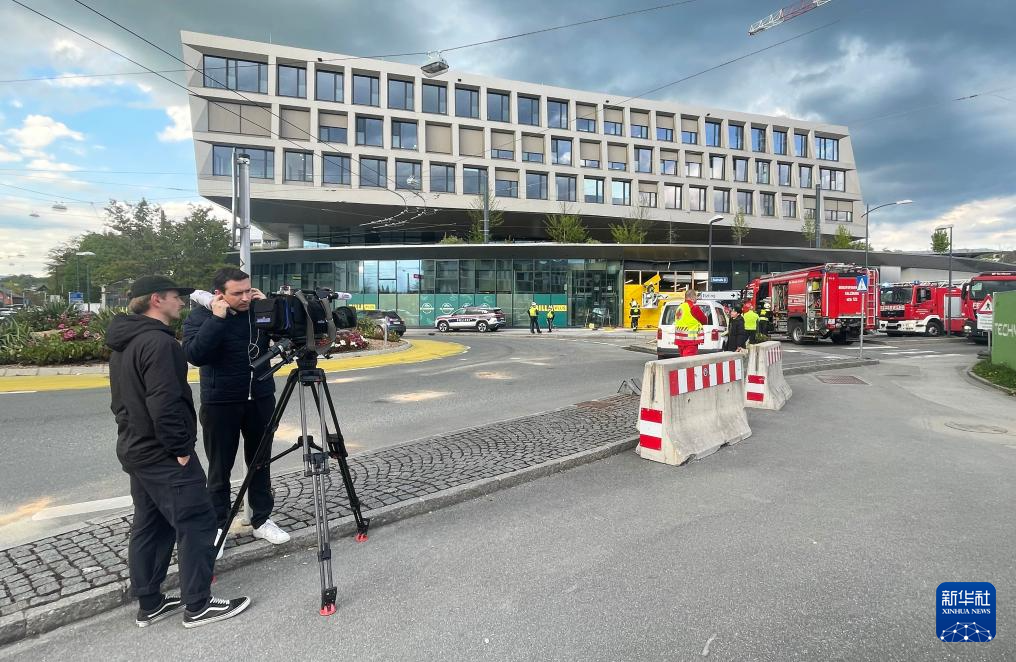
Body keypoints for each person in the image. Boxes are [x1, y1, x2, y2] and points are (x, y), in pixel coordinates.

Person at [106, 275, 250, 629]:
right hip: (163, 453)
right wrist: (180, 448)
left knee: (151, 524)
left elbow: (120, 401)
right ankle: (198, 605)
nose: (182, 302)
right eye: (175, 296)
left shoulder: (124, 341)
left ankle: (150, 602)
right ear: (156, 299)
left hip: (135, 446)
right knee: (198, 521)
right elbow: (165, 401)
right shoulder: (159, 344)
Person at [182, 267, 291, 550]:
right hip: (220, 401)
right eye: (237, 293)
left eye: (248, 291)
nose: (245, 298)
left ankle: (261, 519)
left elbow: (286, 338)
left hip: (261, 396)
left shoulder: (257, 311)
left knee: (260, 462)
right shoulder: (201, 316)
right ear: (219, 294)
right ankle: (218, 527)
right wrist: (217, 319)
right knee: (220, 469)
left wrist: (271, 309)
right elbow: (194, 354)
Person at [674, 290, 708, 357]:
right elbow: (704, 321)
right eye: (696, 296)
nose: (696, 298)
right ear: (692, 297)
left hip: (680, 340)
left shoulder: (680, 307)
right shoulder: (693, 307)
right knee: (689, 362)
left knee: (683, 360)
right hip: (690, 341)